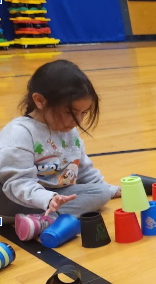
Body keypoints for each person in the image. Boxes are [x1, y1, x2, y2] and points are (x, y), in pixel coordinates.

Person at [0, 60, 120, 241]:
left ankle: (43, 220)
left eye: (83, 113)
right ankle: (45, 218)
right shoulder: (19, 132)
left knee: (101, 193)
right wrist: (47, 199)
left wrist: (110, 189)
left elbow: (84, 169)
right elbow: (17, 183)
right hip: (11, 202)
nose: (78, 121)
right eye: (71, 113)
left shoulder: (69, 131)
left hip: (51, 200)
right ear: (39, 101)